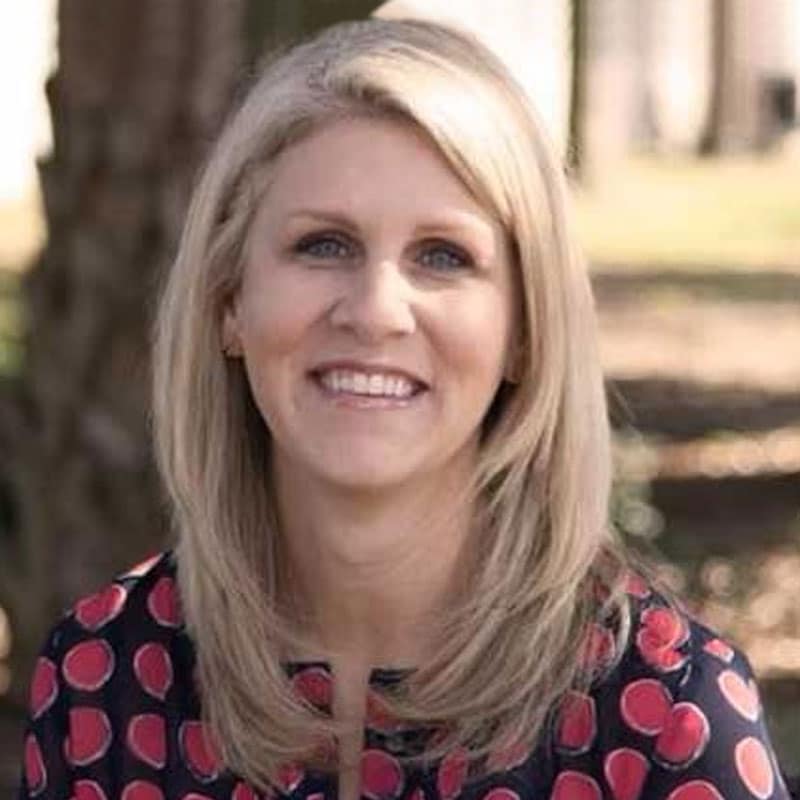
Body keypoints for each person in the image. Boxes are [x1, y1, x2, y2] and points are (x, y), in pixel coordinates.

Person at [16, 18, 792, 800]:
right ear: (229, 301)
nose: (377, 310)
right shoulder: (104, 680)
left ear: (525, 331)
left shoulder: (665, 711)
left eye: (443, 257)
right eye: (323, 245)